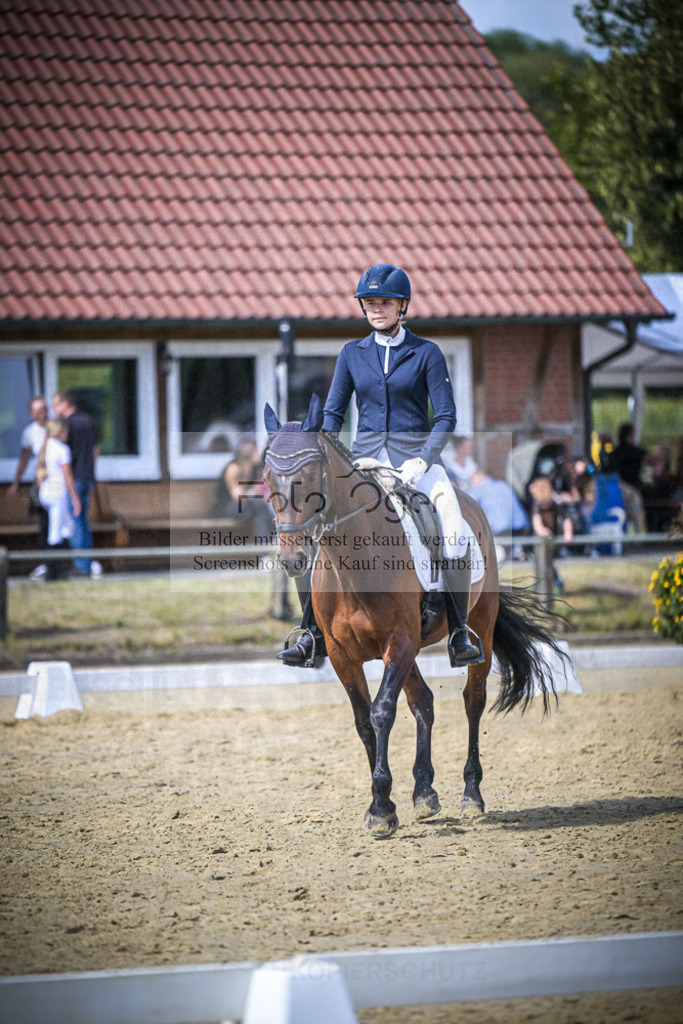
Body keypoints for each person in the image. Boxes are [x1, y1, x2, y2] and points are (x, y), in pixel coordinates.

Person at [277, 262, 483, 669]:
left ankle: (459, 630)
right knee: (316, 533)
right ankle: (311, 632)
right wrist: (327, 456)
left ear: (401, 306)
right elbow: (333, 415)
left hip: (418, 465)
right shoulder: (352, 355)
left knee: (453, 528)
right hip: (365, 463)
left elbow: (445, 418)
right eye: (369, 302)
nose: (375, 308)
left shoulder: (426, 353)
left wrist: (423, 460)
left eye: (383, 302)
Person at [52, 390, 102, 578]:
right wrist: (89, 470)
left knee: (75, 523)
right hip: (88, 477)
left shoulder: (66, 425)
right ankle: (87, 562)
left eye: (56, 404)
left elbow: (64, 458)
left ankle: (82, 566)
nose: (54, 409)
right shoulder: (88, 421)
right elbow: (95, 451)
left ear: (65, 404)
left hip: (74, 479)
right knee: (83, 521)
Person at [5, 396, 49, 579]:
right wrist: (15, 483)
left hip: (57, 483)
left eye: (44, 410)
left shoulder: (54, 428)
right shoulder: (30, 433)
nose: (42, 414)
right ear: (31, 414)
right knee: (45, 524)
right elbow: (24, 459)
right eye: (38, 411)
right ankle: (47, 563)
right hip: (41, 483)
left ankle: (56, 563)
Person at [37, 419, 81, 580]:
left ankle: (56, 567)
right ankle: (53, 572)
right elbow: (67, 476)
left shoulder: (46, 447)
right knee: (56, 533)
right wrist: (75, 499)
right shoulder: (62, 449)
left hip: (46, 492)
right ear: (59, 432)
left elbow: (40, 471)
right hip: (58, 493)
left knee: (64, 526)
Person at [213, 436, 275, 540]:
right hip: (227, 507)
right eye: (256, 451)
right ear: (248, 453)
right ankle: (273, 539)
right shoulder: (233, 468)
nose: (259, 454)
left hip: (247, 507)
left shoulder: (254, 469)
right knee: (259, 507)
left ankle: (265, 551)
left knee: (259, 515)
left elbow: (258, 492)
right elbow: (237, 496)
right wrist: (252, 495)